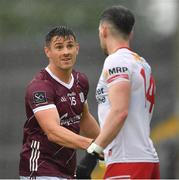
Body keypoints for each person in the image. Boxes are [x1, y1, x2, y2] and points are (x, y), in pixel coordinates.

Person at [80, 5, 160, 179]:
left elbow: (120, 111)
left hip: (127, 160)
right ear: (131, 33)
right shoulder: (141, 63)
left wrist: (92, 153)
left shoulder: (116, 61)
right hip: (145, 158)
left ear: (103, 30)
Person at [19, 26, 100, 179]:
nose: (66, 52)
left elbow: (84, 119)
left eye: (70, 46)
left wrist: (109, 145)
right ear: (47, 51)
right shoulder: (40, 87)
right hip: (40, 169)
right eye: (59, 47)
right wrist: (92, 145)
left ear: (77, 48)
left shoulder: (80, 81)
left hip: (68, 170)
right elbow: (53, 132)